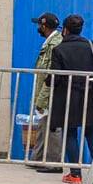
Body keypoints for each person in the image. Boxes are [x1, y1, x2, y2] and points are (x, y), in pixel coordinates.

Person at [49, 14, 93, 184]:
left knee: (70, 132)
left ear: (65, 30)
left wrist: (47, 80)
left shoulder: (58, 50)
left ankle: (75, 175)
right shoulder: (91, 45)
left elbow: (55, 78)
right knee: (90, 131)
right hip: (89, 95)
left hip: (68, 98)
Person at [29, 12, 64, 172]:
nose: (38, 28)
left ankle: (53, 162)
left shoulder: (55, 44)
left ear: (44, 26)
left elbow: (51, 74)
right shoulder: (50, 42)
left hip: (51, 92)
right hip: (46, 91)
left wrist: (42, 98)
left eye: (39, 25)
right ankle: (38, 158)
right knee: (43, 125)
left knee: (52, 127)